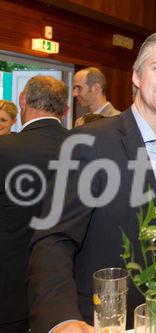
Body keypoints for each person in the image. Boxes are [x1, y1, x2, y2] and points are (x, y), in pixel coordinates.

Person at [27, 30, 156, 333]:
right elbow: (53, 239)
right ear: (136, 76)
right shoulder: (89, 143)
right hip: (102, 321)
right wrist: (62, 319)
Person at [0, 76, 69, 332]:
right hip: (63, 287)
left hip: (10, 284)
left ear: (22, 101)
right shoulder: (85, 148)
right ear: (65, 110)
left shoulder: (4, 149)